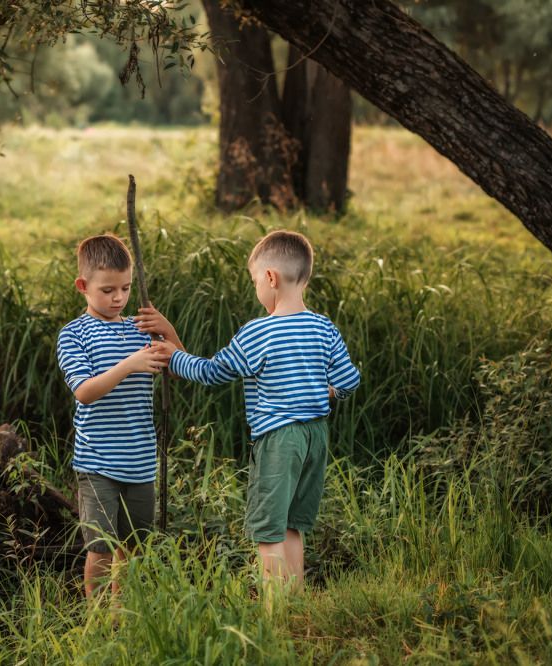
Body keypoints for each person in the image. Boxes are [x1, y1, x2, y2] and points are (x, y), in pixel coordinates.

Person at [145, 230, 360, 597]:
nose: (256, 288)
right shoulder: (324, 327)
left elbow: (212, 373)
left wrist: (172, 357)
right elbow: (349, 381)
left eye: (255, 280)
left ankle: (274, 612)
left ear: (271, 278)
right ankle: (294, 605)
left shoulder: (259, 332)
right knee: (293, 526)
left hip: (279, 440)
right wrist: (323, 389)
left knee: (268, 531)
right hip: (315, 437)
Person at [56, 233, 181, 599]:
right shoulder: (74, 335)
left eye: (126, 288)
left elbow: (178, 368)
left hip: (141, 461)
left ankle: (120, 616)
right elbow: (84, 391)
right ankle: (96, 619)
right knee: (101, 548)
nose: (119, 298)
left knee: (134, 546)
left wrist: (167, 330)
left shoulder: (138, 330)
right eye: (108, 289)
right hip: (97, 463)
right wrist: (130, 365)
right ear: (83, 286)